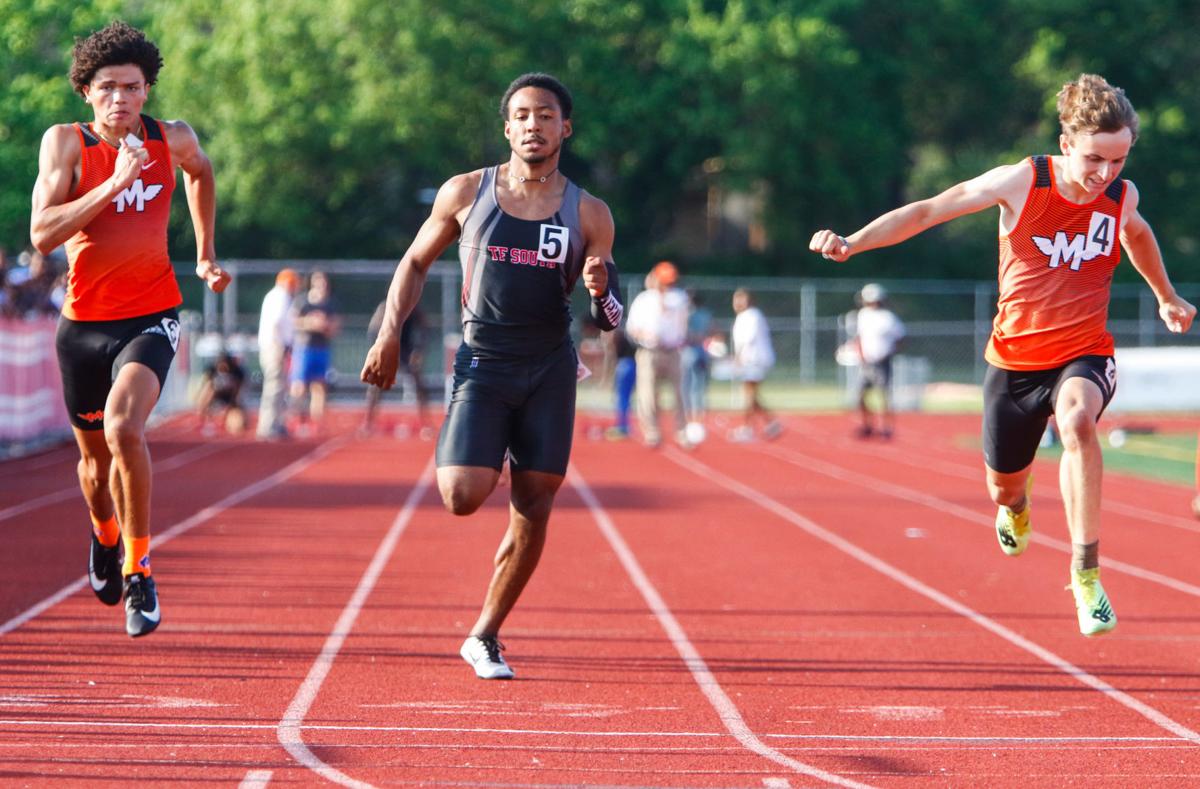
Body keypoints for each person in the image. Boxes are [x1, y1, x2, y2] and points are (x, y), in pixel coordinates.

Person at [809, 74, 1195, 637]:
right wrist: (853, 241)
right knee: (1003, 486)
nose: (1105, 175)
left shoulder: (1120, 195)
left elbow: (1135, 232)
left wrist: (1166, 294)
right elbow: (927, 211)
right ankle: (1015, 505)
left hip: (1083, 354)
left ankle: (1086, 576)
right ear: (1067, 144)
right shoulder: (1023, 181)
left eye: (1118, 162)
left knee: (1079, 422)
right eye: (1094, 160)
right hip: (1014, 363)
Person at [361, 72, 623, 680]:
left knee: (535, 504)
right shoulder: (465, 192)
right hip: (484, 360)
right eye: (523, 115)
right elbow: (414, 262)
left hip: (551, 367)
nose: (535, 125)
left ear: (566, 127)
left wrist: (604, 290)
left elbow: (610, 318)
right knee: (462, 496)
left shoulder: (589, 212)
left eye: (546, 115)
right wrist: (389, 332)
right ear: (508, 128)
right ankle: (487, 439)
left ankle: (485, 634)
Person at [29, 21, 230, 637]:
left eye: (133, 87)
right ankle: (105, 533)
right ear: (86, 92)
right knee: (92, 467)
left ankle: (141, 569)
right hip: (83, 325)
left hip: (151, 315)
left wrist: (203, 251)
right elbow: (42, 234)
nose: (122, 99)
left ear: (148, 90)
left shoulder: (172, 138)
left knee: (124, 426)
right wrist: (115, 181)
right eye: (109, 88)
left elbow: (201, 173)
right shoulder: (66, 144)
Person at [625, 261, 690, 448]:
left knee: (679, 393)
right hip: (649, 351)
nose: (667, 285)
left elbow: (671, 312)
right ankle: (652, 432)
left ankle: (681, 431)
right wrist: (644, 334)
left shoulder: (678, 298)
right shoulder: (644, 299)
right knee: (648, 394)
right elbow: (632, 328)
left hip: (672, 351)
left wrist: (660, 294)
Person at [361, 300, 429, 437]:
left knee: (418, 384)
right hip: (388, 348)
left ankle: (426, 422)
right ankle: (368, 422)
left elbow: (424, 328)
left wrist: (418, 350)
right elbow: (373, 329)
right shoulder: (384, 308)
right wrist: (377, 349)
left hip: (405, 350)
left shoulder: (413, 307)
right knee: (375, 385)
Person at [849, 283, 906, 439]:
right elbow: (859, 337)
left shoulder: (888, 317)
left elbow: (900, 337)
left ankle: (887, 427)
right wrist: (860, 354)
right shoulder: (863, 315)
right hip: (866, 362)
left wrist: (889, 353)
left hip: (882, 361)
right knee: (860, 395)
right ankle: (867, 425)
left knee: (884, 395)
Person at [290, 270, 340, 434]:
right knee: (300, 387)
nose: (323, 286)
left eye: (325, 283)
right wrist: (311, 323)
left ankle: (317, 424)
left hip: (322, 348)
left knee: (319, 386)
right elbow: (293, 321)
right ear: (313, 283)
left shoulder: (329, 304)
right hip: (304, 348)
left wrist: (327, 327)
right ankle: (298, 419)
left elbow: (335, 326)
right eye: (320, 283)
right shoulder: (303, 301)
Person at [729, 288, 782, 442]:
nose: (738, 302)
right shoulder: (742, 317)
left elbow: (748, 339)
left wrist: (738, 357)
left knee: (749, 393)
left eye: (742, 299)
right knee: (750, 394)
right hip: (749, 360)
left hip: (756, 359)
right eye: (736, 299)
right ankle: (771, 422)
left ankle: (748, 428)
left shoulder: (753, 315)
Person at [256, 268, 299, 440]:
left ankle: (275, 423)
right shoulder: (281, 296)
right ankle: (269, 426)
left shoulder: (275, 296)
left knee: (278, 387)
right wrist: (282, 345)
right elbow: (277, 321)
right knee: (274, 387)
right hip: (275, 346)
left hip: (273, 345)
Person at [680, 289, 713, 441]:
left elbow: (686, 332)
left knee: (688, 385)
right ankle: (698, 415)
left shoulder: (688, 313)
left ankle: (690, 416)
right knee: (699, 385)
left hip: (690, 351)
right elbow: (712, 330)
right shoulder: (706, 314)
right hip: (703, 351)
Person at [196, 350, 247, 436]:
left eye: (225, 365)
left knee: (239, 427)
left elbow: (238, 392)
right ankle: (207, 422)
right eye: (221, 365)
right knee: (207, 391)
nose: (223, 368)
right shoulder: (211, 372)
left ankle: (230, 420)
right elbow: (205, 388)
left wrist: (233, 406)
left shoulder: (237, 373)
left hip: (230, 399)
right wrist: (202, 405)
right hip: (214, 398)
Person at [603, 324, 637, 440]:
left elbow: (610, 354)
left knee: (622, 398)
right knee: (625, 398)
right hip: (632, 365)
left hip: (624, 365)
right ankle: (624, 425)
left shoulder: (612, 333)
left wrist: (606, 377)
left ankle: (622, 427)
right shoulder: (624, 331)